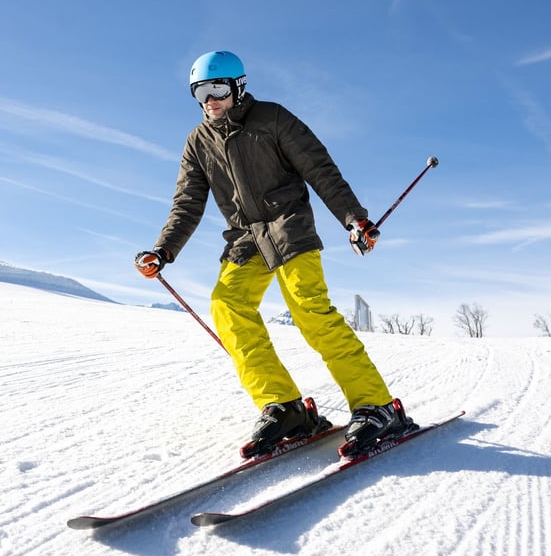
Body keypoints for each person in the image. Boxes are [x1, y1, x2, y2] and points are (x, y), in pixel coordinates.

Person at [135, 50, 416, 458]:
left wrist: (354, 218)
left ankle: (376, 405)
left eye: (217, 90)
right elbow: (187, 204)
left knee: (310, 311)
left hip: (289, 229)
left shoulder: (273, 119)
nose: (209, 100)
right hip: (245, 239)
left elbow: (320, 169)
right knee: (227, 305)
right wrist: (163, 250)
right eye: (200, 92)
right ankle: (283, 406)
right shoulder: (198, 142)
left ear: (238, 87)